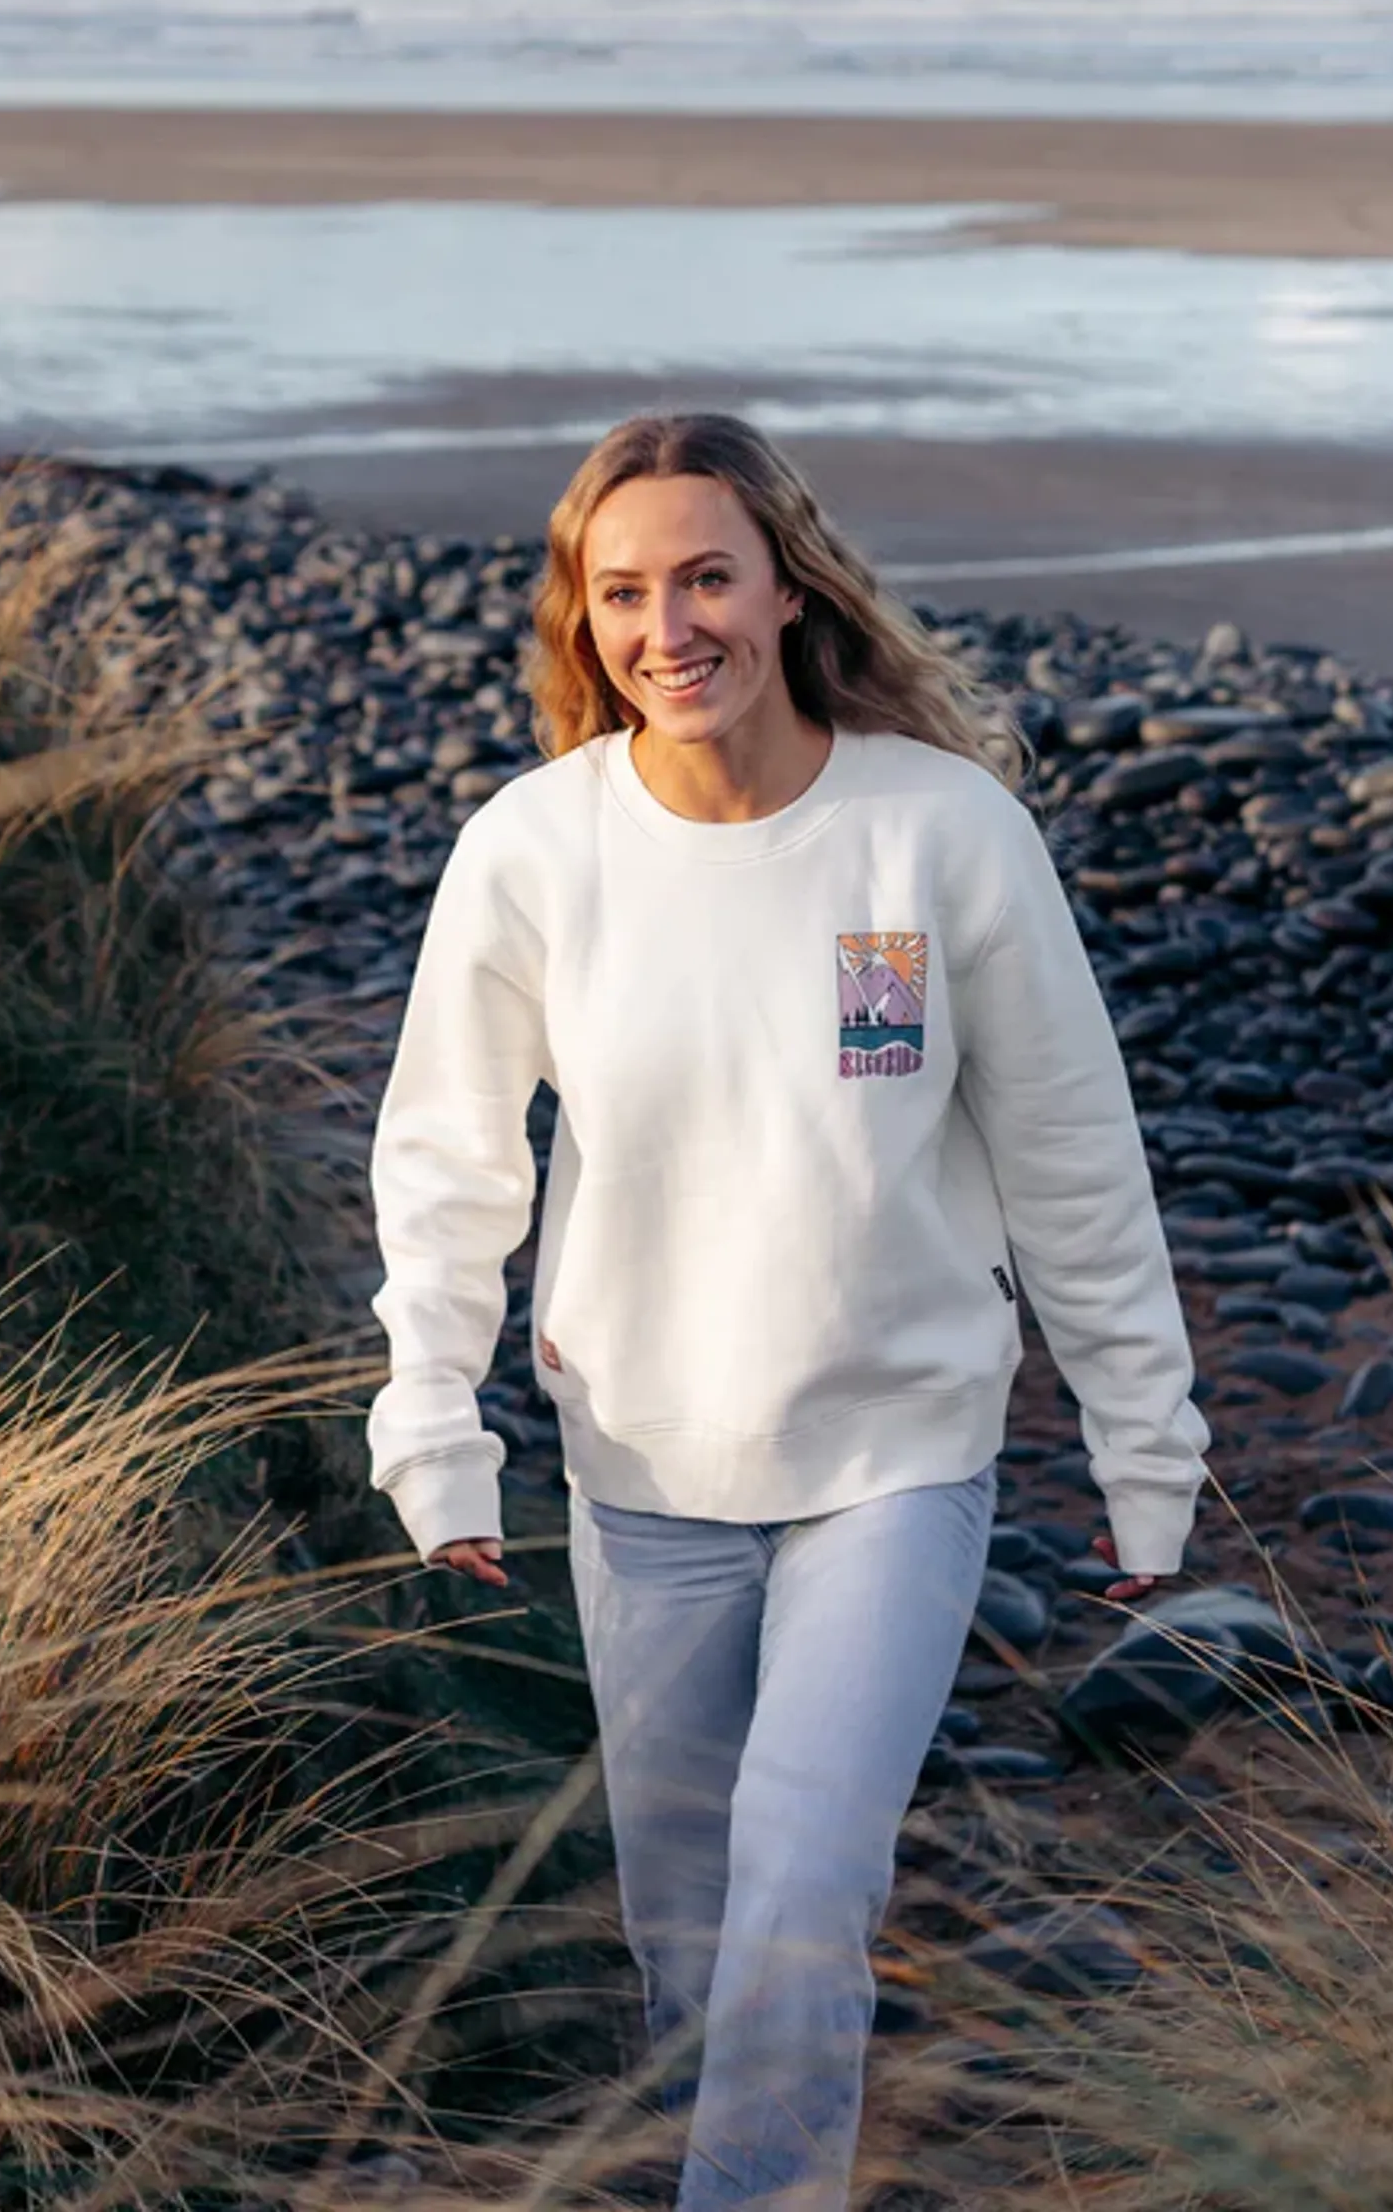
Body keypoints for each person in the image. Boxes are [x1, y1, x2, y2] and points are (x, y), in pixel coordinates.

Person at [363, 413, 1211, 2211]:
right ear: (583, 619)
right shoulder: (535, 852)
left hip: (892, 1461)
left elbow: (1073, 1158)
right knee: (693, 1944)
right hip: (646, 1475)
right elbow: (447, 1162)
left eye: (706, 579)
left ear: (789, 587)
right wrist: (434, 1427)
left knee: (804, 1888)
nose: (668, 628)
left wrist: (1148, 1451)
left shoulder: (941, 835)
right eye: (623, 593)